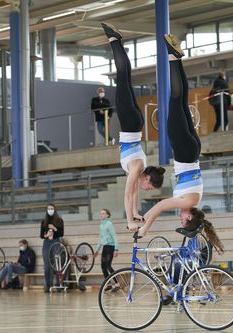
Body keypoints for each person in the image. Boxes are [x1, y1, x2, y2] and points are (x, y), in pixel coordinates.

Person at [136, 35, 222, 247]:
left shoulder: (193, 200)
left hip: (192, 150)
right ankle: (174, 58)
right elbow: (157, 207)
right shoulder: (188, 202)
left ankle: (176, 59)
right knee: (175, 99)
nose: (180, 219)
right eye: (184, 221)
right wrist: (144, 228)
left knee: (181, 99)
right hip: (184, 151)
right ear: (190, 217)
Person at [102, 22, 165, 231]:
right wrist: (129, 220)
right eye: (150, 186)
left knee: (125, 76)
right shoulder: (137, 167)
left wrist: (136, 214)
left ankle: (116, 40)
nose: (147, 190)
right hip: (130, 124)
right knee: (122, 75)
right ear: (146, 177)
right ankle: (114, 40)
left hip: (135, 123)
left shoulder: (138, 171)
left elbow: (135, 194)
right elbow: (127, 194)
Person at [40, 203, 64, 293]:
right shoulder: (43, 221)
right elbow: (41, 235)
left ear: (54, 209)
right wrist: (45, 235)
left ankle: (58, 284)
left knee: (57, 263)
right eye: (49, 208)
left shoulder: (59, 220)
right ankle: (48, 285)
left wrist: (54, 228)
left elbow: (61, 233)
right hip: (47, 242)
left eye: (52, 208)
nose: (50, 210)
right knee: (47, 265)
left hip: (56, 241)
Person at [94, 209, 119, 291]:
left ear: (108, 215)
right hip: (105, 247)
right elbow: (100, 238)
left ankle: (117, 284)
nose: (101, 215)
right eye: (100, 213)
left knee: (108, 265)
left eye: (103, 213)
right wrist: (97, 250)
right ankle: (108, 284)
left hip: (110, 247)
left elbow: (114, 236)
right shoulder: (101, 225)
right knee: (103, 266)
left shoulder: (109, 224)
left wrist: (116, 249)